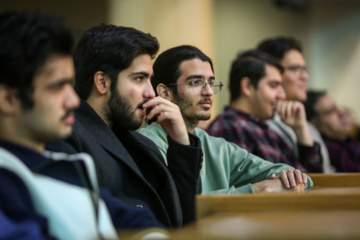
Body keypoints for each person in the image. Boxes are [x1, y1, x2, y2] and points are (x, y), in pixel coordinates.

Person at [0, 10, 167, 240]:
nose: (72, 100)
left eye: (70, 84)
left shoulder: (59, 164)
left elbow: (130, 217)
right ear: (8, 99)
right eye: (57, 87)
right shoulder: (9, 178)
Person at [47, 24, 203, 228]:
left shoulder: (141, 143)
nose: (150, 92)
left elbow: (185, 216)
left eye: (150, 80)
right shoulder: (68, 134)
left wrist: (180, 141)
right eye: (139, 79)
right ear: (102, 82)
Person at [138, 45, 313, 194]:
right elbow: (176, 207)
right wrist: (257, 189)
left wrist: (292, 178)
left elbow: (302, 179)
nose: (208, 92)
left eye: (210, 83)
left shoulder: (217, 146)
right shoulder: (146, 142)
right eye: (195, 82)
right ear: (165, 93)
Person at [207, 50, 322, 173]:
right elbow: (242, 187)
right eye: (273, 85)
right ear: (247, 86)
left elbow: (314, 179)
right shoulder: (230, 127)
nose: (282, 95)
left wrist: (300, 129)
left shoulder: (268, 131)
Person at [257, 36, 335, 173]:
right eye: (294, 69)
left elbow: (323, 175)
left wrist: (301, 128)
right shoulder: (263, 124)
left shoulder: (305, 124)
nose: (304, 76)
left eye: (304, 69)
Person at [304, 90, 360, 172]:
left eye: (337, 107)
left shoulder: (347, 138)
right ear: (316, 125)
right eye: (331, 111)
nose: (342, 112)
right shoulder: (330, 150)